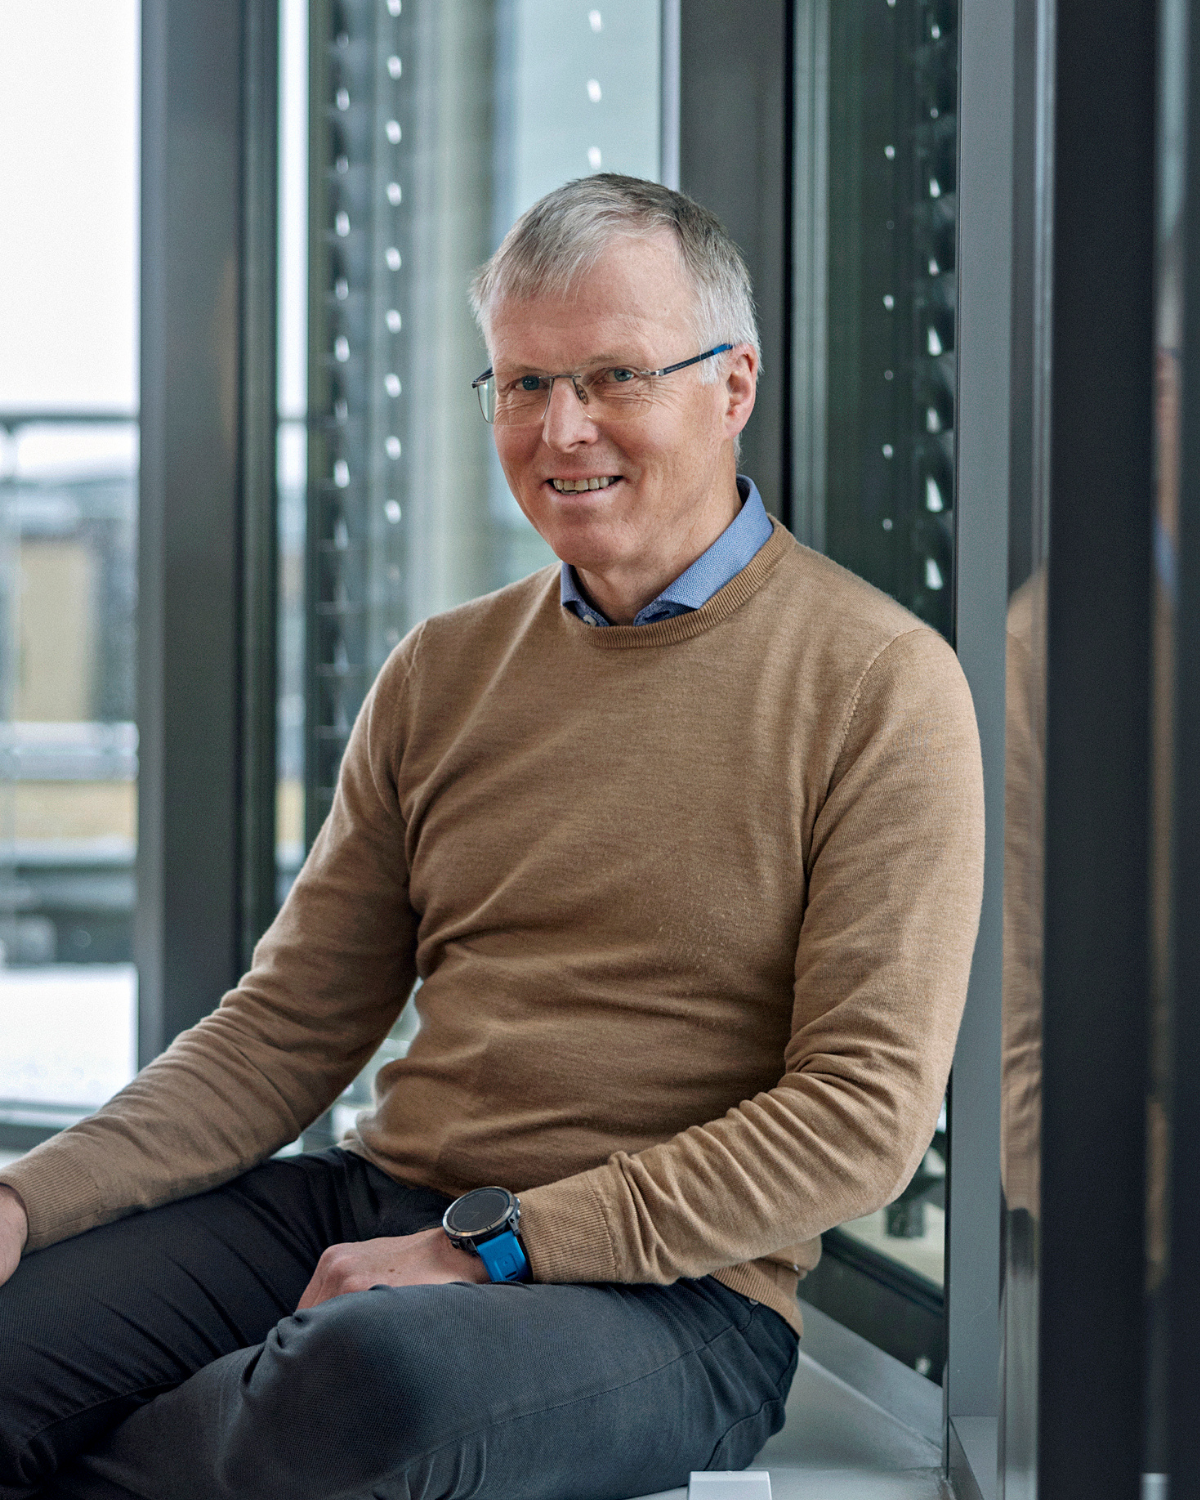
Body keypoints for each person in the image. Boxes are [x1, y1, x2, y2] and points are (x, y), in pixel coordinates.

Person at [0, 174, 984, 1500]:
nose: (562, 429)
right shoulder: (444, 670)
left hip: (674, 1301)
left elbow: (860, 1117)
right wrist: (27, 1197)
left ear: (732, 385)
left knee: (363, 1389)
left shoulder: (881, 684)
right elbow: (282, 1031)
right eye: (523, 383)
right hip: (378, 1200)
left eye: (615, 375)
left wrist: (494, 1247)